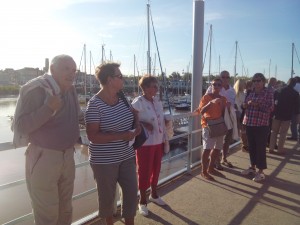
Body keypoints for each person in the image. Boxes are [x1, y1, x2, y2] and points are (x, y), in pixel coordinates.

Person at [13, 54, 81, 224]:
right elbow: (20, 126)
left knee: (66, 208)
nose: (71, 74)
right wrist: (48, 108)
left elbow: (77, 116)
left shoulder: (71, 89)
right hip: (44, 157)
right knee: (47, 214)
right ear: (52, 69)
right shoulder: (36, 89)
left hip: (68, 156)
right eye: (66, 69)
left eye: (74, 70)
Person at [85, 62, 140, 225]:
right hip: (104, 161)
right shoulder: (94, 104)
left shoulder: (123, 97)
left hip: (127, 156)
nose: (123, 79)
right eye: (120, 76)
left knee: (131, 193)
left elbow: (133, 115)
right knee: (107, 198)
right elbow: (92, 136)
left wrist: (137, 125)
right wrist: (123, 135)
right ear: (110, 79)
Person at [131, 75, 168, 217]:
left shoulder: (157, 101)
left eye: (156, 85)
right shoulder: (138, 102)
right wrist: (142, 123)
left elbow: (160, 118)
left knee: (156, 169)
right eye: (154, 86)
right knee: (144, 172)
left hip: (158, 141)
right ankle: (142, 201)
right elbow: (130, 116)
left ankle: (154, 194)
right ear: (145, 88)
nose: (156, 88)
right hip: (145, 143)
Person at [241, 73, 274, 182]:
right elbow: (245, 104)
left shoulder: (268, 93)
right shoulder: (251, 92)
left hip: (261, 125)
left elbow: (270, 108)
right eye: (254, 81)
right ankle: (252, 167)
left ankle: (261, 172)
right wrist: (245, 105)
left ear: (263, 82)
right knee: (251, 147)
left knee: (260, 148)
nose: (256, 83)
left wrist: (257, 105)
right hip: (250, 123)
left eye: (258, 80)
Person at [197, 78, 228, 180]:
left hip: (219, 125)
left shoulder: (223, 99)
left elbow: (224, 113)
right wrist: (211, 103)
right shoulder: (206, 97)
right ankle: (204, 171)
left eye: (219, 85)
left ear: (221, 87)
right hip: (208, 125)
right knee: (207, 149)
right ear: (211, 86)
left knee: (218, 148)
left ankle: (211, 168)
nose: (217, 86)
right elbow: (201, 111)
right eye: (215, 84)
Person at [206, 70, 236, 169]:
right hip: (217, 118)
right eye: (223, 77)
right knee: (217, 140)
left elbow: (234, 103)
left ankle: (224, 158)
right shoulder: (213, 87)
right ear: (220, 77)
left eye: (227, 77)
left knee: (227, 140)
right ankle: (216, 161)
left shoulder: (232, 90)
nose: (225, 79)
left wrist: (231, 106)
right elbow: (206, 100)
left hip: (229, 118)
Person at [269, 78, 300, 154]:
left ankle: (271, 148)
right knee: (283, 133)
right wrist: (297, 117)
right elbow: (297, 107)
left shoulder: (278, 90)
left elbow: (273, 102)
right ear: (294, 84)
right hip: (287, 115)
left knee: (274, 132)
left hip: (276, 114)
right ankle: (280, 149)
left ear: (287, 82)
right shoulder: (295, 93)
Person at [233, 79, 247, 151]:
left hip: (237, 113)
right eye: (244, 84)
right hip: (242, 114)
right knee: (243, 130)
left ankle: (244, 145)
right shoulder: (242, 94)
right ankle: (244, 145)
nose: (245, 85)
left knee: (241, 130)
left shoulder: (235, 93)